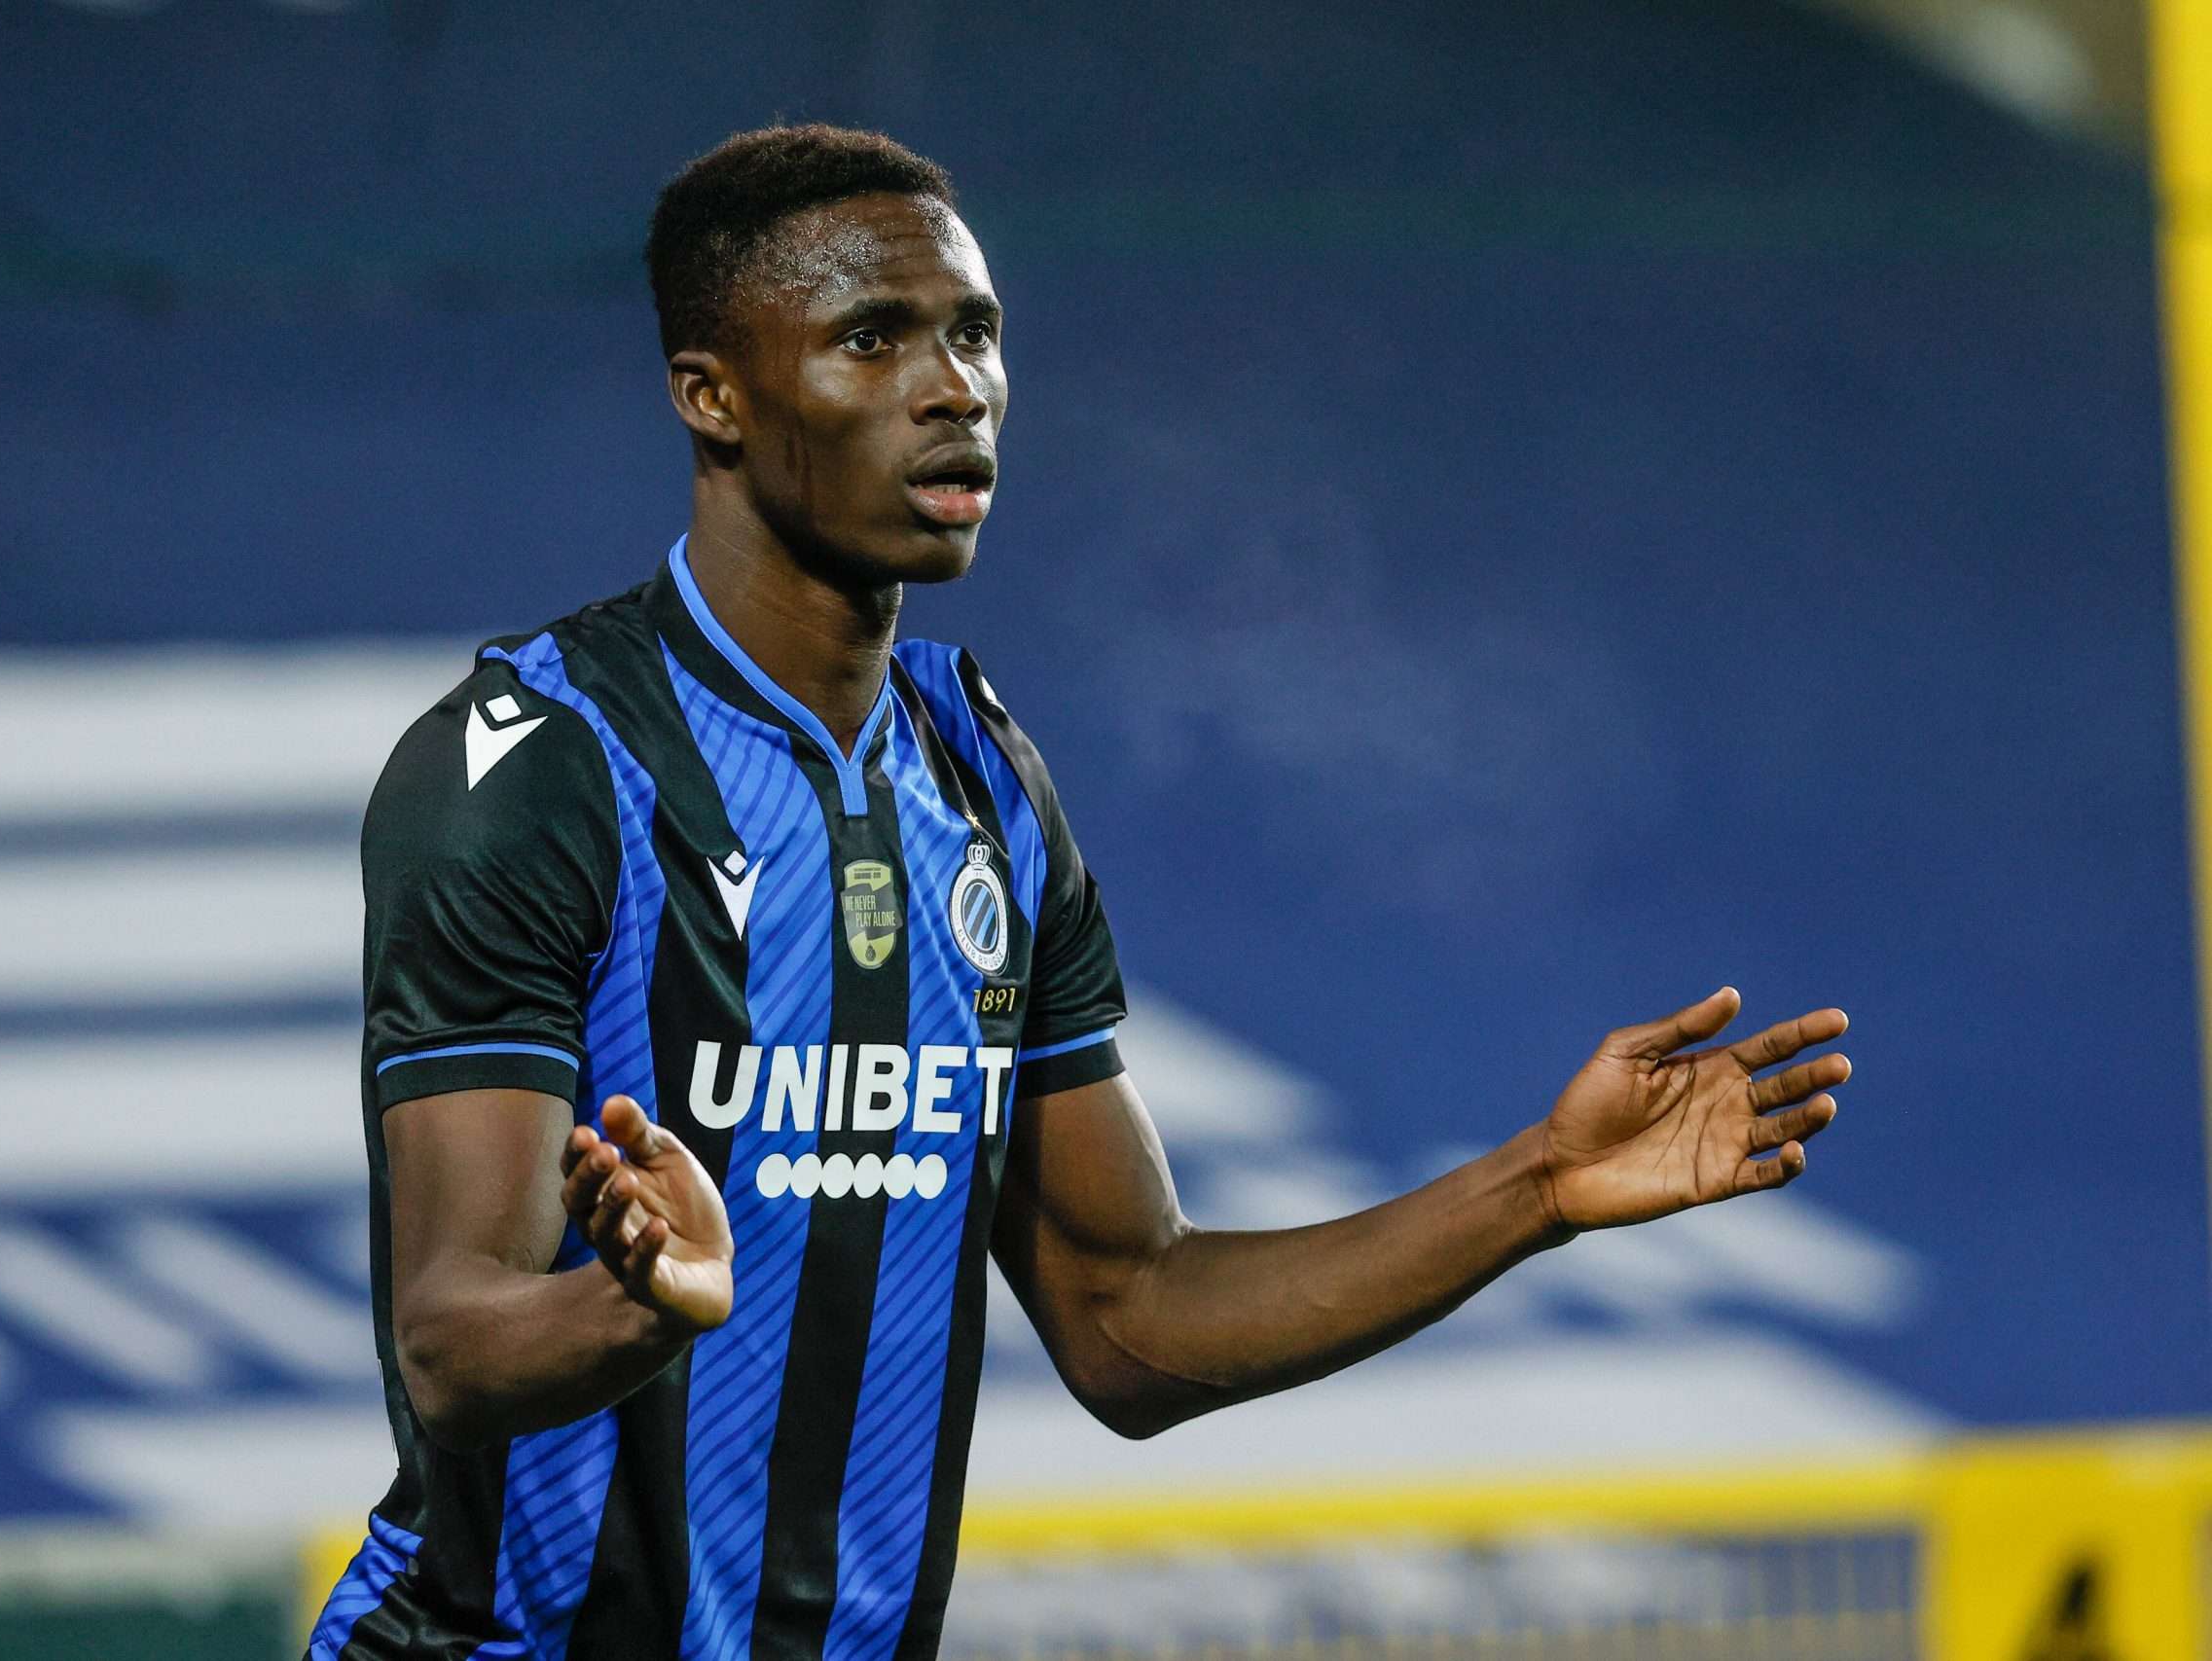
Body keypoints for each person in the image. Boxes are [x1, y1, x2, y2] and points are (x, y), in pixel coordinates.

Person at [305, 124, 1849, 1661]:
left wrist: (1537, 1189)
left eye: (975, 333)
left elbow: (1128, 1316)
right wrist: (641, 1308)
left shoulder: (981, 780)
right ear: (712, 395)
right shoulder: (540, 767)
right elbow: (451, 1341)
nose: (953, 388)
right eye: (872, 339)